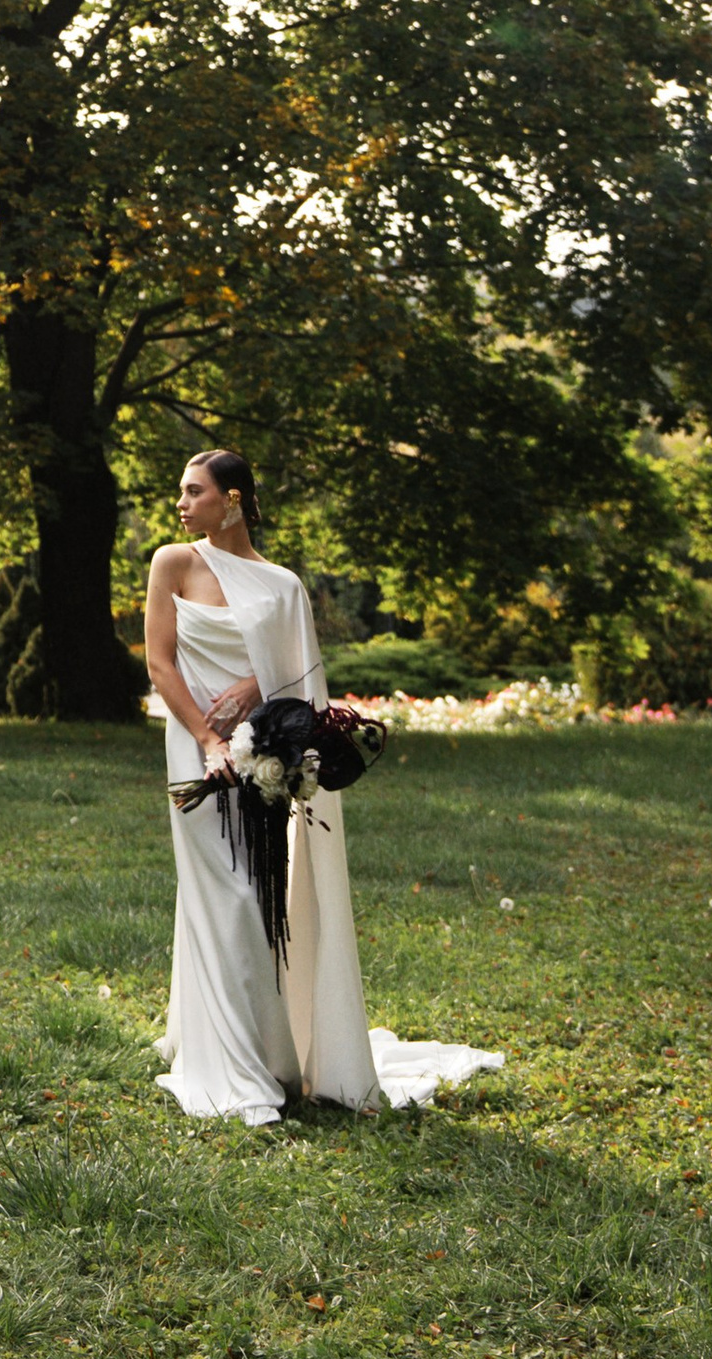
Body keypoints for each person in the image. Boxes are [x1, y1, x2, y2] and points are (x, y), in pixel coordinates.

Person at [147, 446, 504, 1124]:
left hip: (265, 756)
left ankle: (271, 1051)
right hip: (194, 750)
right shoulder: (173, 563)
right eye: (182, 493)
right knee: (217, 895)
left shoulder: (281, 586)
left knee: (256, 898)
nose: (183, 505)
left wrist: (256, 698)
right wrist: (207, 738)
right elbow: (161, 665)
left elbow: (300, 681)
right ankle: (228, 1066)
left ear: (234, 500)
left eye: (195, 492)